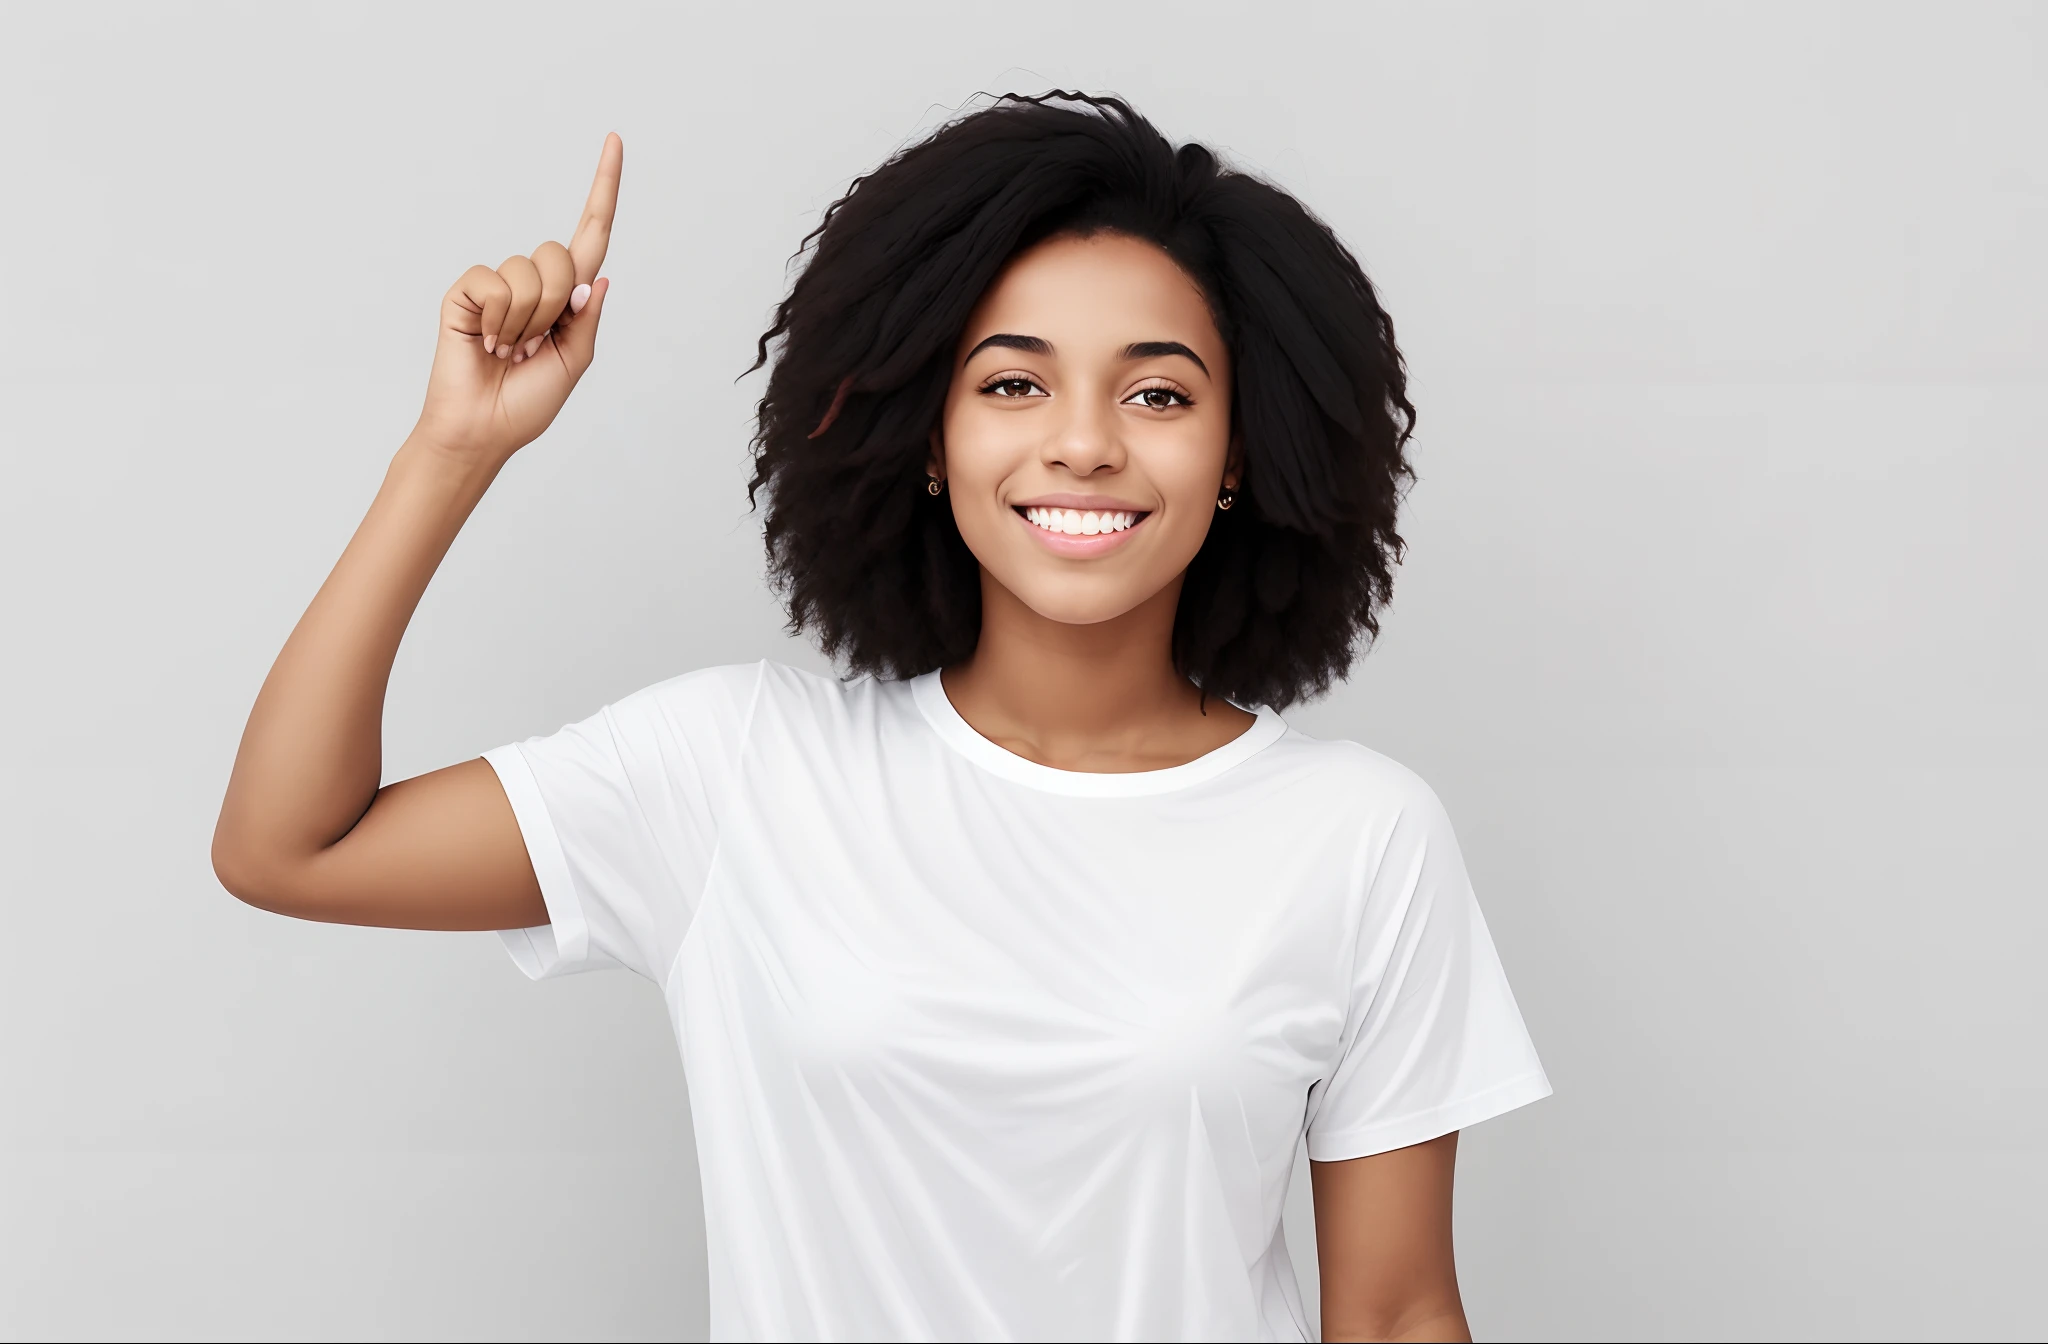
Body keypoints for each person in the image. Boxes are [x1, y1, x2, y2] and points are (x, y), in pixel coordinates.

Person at [212, 92, 1551, 1343]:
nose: (1084, 443)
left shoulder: (1359, 837)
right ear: (928, 436)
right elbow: (291, 847)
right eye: (1013, 383)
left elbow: (1393, 1320)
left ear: (1240, 456)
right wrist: (454, 450)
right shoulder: (737, 771)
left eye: (1157, 393)